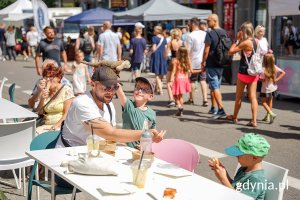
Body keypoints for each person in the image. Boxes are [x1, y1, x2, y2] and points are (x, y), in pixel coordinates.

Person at [56, 66, 165, 148]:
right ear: (93, 84)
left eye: (115, 87)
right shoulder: (82, 103)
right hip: (69, 159)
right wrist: (146, 134)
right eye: (107, 87)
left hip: (92, 157)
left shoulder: (109, 105)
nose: (111, 92)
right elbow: (110, 133)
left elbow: (109, 140)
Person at [209, 133, 270, 200]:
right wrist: (224, 173)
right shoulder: (244, 168)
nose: (236, 156)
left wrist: (223, 179)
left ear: (255, 157)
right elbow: (236, 188)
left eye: (239, 155)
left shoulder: (256, 180)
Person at [227, 21, 259, 127]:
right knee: (253, 97)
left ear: (244, 31)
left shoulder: (245, 43)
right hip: (254, 73)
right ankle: (254, 121)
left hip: (244, 72)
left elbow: (230, 51)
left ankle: (235, 117)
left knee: (239, 97)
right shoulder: (256, 41)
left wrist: (236, 40)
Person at [116, 77, 156, 148]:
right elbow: (119, 90)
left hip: (142, 151)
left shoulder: (152, 114)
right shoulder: (128, 105)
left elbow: (152, 133)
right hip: (126, 148)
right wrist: (114, 76)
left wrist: (148, 143)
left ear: (150, 96)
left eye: (145, 90)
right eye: (138, 87)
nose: (140, 91)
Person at [34, 62, 74, 134]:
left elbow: (67, 114)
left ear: (59, 78)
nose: (48, 80)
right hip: (45, 125)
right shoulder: (46, 91)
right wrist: (42, 98)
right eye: (46, 77)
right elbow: (39, 112)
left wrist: (55, 126)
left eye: (51, 77)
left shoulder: (66, 90)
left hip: (60, 127)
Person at [202, 14, 226, 119]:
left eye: (208, 21)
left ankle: (221, 110)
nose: (207, 22)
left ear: (214, 21)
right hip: (221, 63)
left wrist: (203, 62)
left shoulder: (210, 33)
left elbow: (206, 50)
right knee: (215, 87)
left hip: (211, 63)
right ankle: (213, 107)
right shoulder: (224, 32)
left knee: (215, 87)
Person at [185, 18, 208, 107]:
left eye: (190, 24)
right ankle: (205, 99)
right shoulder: (205, 34)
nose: (189, 26)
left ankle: (191, 99)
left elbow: (188, 50)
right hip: (203, 60)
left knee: (192, 80)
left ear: (193, 24)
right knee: (203, 80)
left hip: (194, 61)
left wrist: (187, 62)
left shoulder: (191, 35)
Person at [260, 52, 285, 123]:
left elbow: (262, 79)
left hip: (265, 89)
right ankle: (268, 116)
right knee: (270, 101)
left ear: (264, 61)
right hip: (273, 88)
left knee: (264, 102)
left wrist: (258, 78)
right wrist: (276, 79)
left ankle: (271, 113)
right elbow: (283, 72)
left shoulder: (263, 70)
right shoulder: (274, 67)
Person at [170, 47, 192, 116]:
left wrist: (171, 80)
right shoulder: (187, 60)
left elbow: (173, 71)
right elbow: (191, 71)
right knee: (181, 96)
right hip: (185, 79)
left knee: (174, 95)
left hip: (178, 79)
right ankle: (180, 110)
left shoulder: (176, 61)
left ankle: (179, 107)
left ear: (178, 52)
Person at [149, 25, 168, 95]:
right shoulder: (164, 39)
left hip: (156, 56)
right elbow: (166, 49)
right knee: (161, 73)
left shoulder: (154, 38)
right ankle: (157, 88)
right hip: (163, 56)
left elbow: (154, 48)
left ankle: (160, 90)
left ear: (156, 31)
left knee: (157, 74)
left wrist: (149, 50)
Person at [166, 28, 182, 107]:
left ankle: (171, 99)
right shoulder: (182, 42)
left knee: (169, 82)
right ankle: (178, 99)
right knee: (177, 81)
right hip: (180, 62)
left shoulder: (171, 42)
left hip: (172, 61)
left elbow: (165, 54)